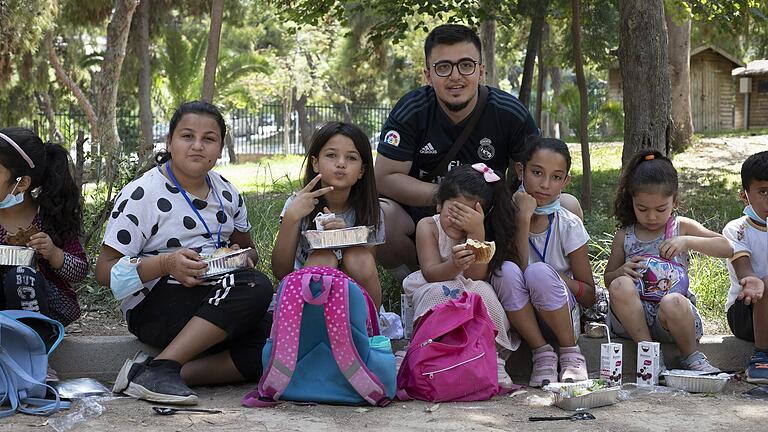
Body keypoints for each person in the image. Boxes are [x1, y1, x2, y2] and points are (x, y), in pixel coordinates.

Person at [95, 101, 273, 405]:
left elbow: (249, 251)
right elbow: (104, 272)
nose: (197, 146)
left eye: (209, 139)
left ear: (219, 149)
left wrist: (237, 257)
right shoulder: (144, 193)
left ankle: (155, 372)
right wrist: (166, 263)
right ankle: (164, 366)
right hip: (156, 307)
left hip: (217, 298)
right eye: (187, 136)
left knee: (277, 340)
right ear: (170, 142)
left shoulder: (227, 192)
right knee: (255, 285)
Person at [374, 23, 582, 279]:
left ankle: (544, 282)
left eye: (466, 65)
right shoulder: (411, 110)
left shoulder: (509, 112)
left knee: (568, 205)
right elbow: (384, 178)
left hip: (493, 215)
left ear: (481, 70)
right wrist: (448, 198)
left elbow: (537, 167)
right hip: (427, 218)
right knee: (380, 215)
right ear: (427, 74)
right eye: (443, 67)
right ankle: (416, 279)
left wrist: (512, 201)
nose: (455, 76)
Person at [604, 149, 732, 373]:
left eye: (661, 209)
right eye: (642, 209)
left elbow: (727, 247)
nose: (651, 216)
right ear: (631, 200)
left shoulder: (680, 227)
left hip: (673, 320)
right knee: (620, 285)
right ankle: (649, 356)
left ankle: (691, 357)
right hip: (632, 320)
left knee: (673, 301)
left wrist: (688, 241)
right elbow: (608, 279)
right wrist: (621, 271)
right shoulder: (625, 235)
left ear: (674, 199)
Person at [402, 163, 519, 388]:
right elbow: (431, 272)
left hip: (470, 285)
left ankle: (492, 356)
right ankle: (429, 350)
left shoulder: (480, 231)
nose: (459, 220)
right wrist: (454, 265)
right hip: (435, 283)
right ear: (439, 204)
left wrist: (476, 232)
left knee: (483, 292)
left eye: (468, 214)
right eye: (454, 211)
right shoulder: (428, 226)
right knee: (440, 291)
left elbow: (477, 276)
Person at [492, 137, 594, 386]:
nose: (545, 185)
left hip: (560, 318)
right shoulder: (501, 219)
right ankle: (542, 354)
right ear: (520, 170)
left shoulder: (568, 224)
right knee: (504, 270)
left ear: (565, 181)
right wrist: (522, 220)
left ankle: (570, 354)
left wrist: (555, 277)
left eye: (556, 177)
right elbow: (515, 271)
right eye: (537, 173)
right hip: (519, 320)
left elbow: (590, 295)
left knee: (538, 273)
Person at [272, 121, 384, 308]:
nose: (341, 164)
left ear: (362, 171)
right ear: (315, 163)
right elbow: (280, 271)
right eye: (331, 155)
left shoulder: (371, 209)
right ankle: (310, 326)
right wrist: (291, 218)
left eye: (351, 158)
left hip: (353, 299)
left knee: (359, 256)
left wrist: (346, 237)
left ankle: (369, 326)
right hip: (305, 296)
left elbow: (366, 266)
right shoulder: (297, 204)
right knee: (323, 258)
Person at [0, 128, 86, 347]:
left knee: (21, 277)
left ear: (22, 183)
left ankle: (36, 353)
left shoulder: (50, 218)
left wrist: (54, 254)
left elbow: (80, 271)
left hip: (46, 307)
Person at [722, 150, 768, 383]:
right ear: (744, 196)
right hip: (746, 311)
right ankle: (761, 357)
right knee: (765, 283)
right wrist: (754, 282)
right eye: (763, 192)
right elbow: (747, 275)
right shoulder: (737, 230)